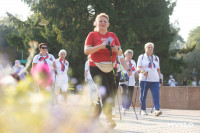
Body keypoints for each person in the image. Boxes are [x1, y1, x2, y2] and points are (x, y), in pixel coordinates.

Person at [84, 13, 122, 128]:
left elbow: (120, 52)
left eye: (105, 21)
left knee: (107, 93)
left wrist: (116, 49)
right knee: (105, 92)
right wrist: (101, 46)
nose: (103, 23)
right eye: (100, 21)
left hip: (111, 67)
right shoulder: (92, 35)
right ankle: (109, 119)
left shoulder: (113, 35)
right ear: (96, 23)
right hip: (96, 67)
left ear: (108, 24)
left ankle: (94, 117)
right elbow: (86, 51)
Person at [137, 42, 162, 116]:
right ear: (145, 49)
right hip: (144, 79)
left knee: (156, 95)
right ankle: (143, 110)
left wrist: (160, 79)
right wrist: (142, 71)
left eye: (152, 47)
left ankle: (157, 110)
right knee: (143, 95)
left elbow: (158, 69)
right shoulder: (141, 57)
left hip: (155, 80)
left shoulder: (156, 58)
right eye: (148, 47)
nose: (150, 49)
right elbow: (138, 67)